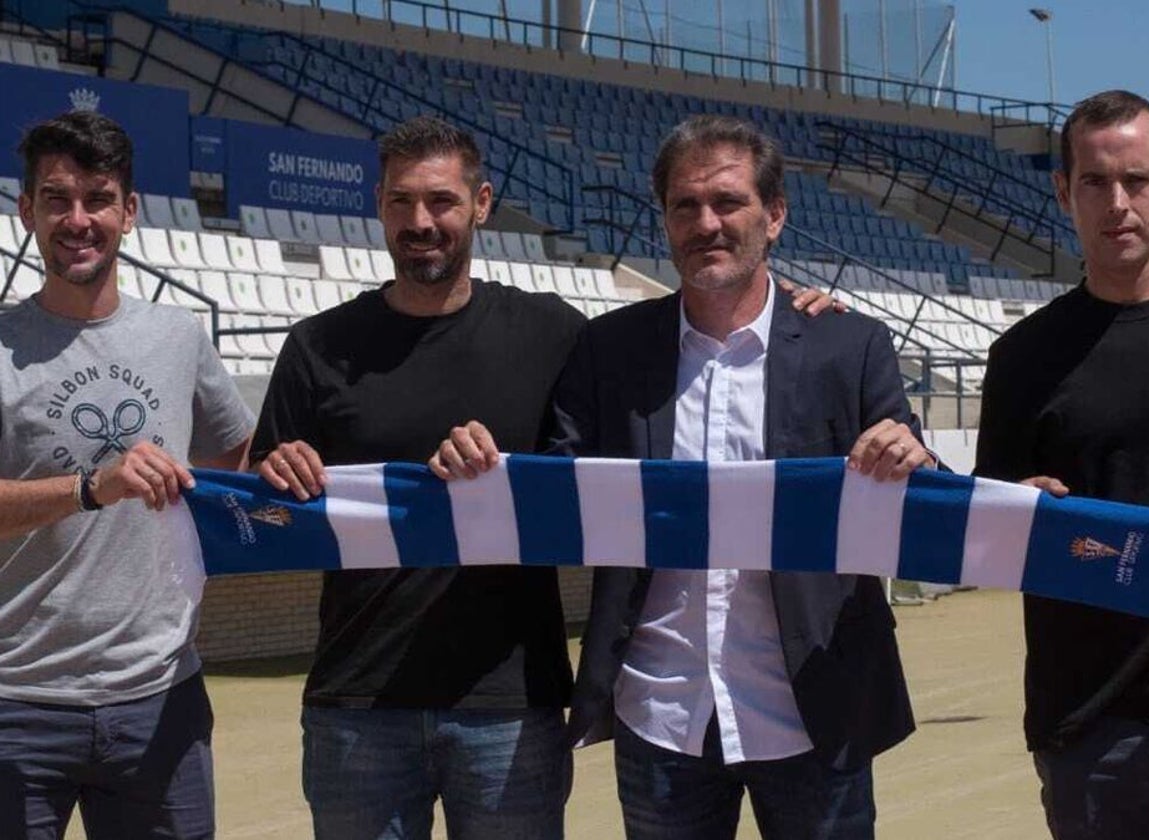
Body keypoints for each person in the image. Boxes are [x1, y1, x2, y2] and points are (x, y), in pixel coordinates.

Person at [255, 114, 840, 840]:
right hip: (356, 701)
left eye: (440, 200)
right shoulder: (317, 347)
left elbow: (633, 409)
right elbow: (265, 508)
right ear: (377, 204)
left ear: (482, 203)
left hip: (512, 703)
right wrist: (272, 473)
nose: (420, 221)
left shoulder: (556, 334)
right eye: (401, 201)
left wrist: (802, 313)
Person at [431, 114, 931, 840]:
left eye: (728, 202)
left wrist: (909, 453)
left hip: (817, 709)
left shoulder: (848, 346)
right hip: (661, 714)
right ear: (663, 219)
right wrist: (478, 470)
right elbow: (557, 488)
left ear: (776, 215)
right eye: (684, 206)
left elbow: (918, 482)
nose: (707, 223)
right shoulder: (609, 350)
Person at [0, 112, 255, 839]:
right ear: (26, 211)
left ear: (130, 211)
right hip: (17, 702)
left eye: (98, 199)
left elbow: (240, 465)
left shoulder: (179, 338)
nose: (79, 220)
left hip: (159, 698)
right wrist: (91, 486)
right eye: (57, 199)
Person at [975, 89, 1149, 839]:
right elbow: (991, 540)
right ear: (1064, 192)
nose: (1118, 203)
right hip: (1091, 716)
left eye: (1137, 180)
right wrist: (1017, 515)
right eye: (1096, 183)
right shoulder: (1021, 358)